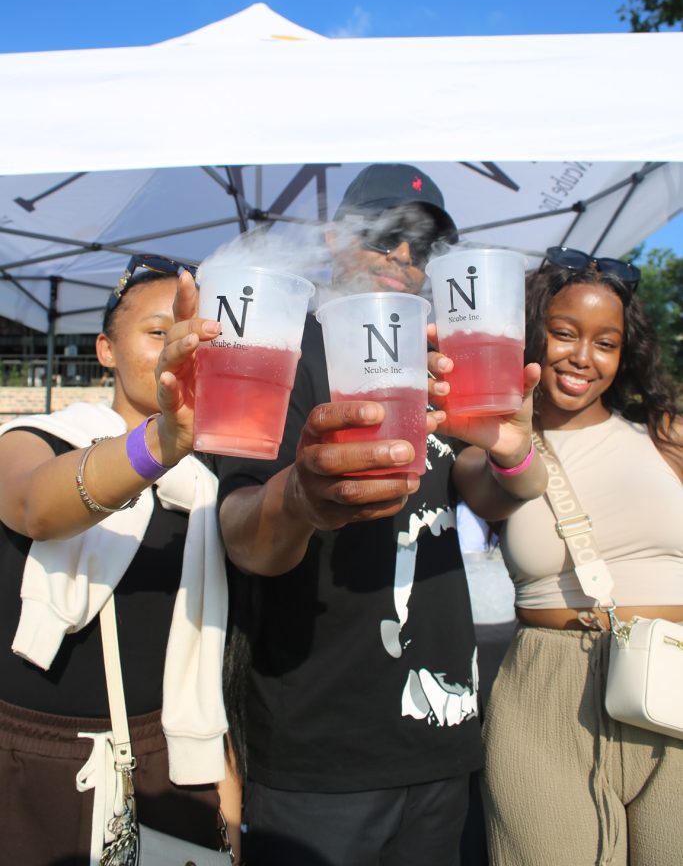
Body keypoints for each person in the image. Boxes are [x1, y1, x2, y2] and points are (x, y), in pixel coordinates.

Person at [216, 163, 549, 866]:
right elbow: (244, 535)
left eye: (421, 246)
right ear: (335, 236)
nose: (404, 257)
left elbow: (479, 490)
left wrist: (512, 452)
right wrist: (300, 498)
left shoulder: (440, 360)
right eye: (387, 235)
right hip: (320, 746)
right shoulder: (285, 349)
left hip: (440, 733)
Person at [0, 256, 241, 865]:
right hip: (37, 763)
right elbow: (35, 507)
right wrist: (160, 442)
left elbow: (216, 656)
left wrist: (228, 802)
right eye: (159, 332)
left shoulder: (209, 481)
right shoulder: (36, 438)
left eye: (194, 335)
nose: (179, 349)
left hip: (173, 762)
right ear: (105, 350)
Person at [480, 247, 683, 866]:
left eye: (606, 342)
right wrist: (511, 448)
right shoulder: (489, 446)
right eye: (564, 333)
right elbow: (493, 490)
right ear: (531, 332)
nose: (582, 357)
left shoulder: (666, 436)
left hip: (672, 680)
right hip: (545, 697)